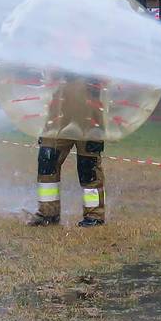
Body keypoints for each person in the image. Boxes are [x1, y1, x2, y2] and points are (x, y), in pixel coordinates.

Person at [27, 72, 107, 228]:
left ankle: (94, 216)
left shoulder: (96, 60)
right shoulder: (57, 57)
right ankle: (48, 214)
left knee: (88, 167)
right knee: (47, 161)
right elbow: (46, 84)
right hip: (58, 120)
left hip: (88, 121)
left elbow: (105, 88)